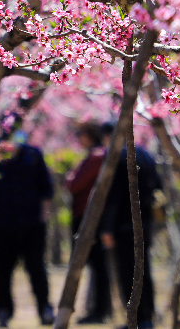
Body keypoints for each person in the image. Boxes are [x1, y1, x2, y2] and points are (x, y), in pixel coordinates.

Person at [0, 130, 55, 327]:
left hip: (32, 224)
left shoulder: (33, 155)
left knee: (36, 268)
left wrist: (43, 217)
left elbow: (46, 188)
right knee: (2, 271)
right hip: (2, 224)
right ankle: (3, 312)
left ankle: (44, 308)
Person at [100, 145, 162, 329]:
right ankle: (147, 318)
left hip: (124, 226)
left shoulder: (117, 157)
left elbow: (114, 194)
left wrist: (107, 227)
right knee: (144, 272)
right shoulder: (146, 155)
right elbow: (158, 187)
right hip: (146, 223)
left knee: (128, 274)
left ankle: (135, 320)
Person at [64, 121, 112, 324]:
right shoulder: (96, 155)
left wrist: (70, 177)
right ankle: (98, 309)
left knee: (98, 266)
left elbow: (74, 184)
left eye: (80, 134)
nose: (78, 138)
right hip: (89, 216)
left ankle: (99, 310)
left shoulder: (96, 157)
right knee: (97, 266)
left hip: (90, 218)